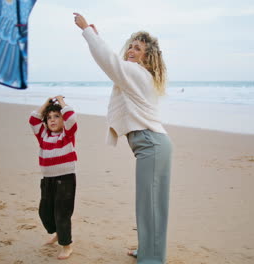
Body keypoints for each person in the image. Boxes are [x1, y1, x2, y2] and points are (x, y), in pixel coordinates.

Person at [74, 13, 173, 264]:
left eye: (138, 48)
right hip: (155, 144)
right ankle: (149, 250)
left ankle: (151, 259)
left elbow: (108, 61)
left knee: (148, 205)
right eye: (130, 45)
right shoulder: (138, 75)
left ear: (147, 57)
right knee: (153, 204)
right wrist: (95, 36)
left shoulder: (136, 73)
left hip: (151, 144)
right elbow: (114, 61)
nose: (131, 50)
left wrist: (87, 31)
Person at [28, 95, 78, 260]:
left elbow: (71, 118)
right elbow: (33, 120)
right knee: (45, 212)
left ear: (63, 120)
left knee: (62, 213)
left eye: (57, 117)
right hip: (48, 180)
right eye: (49, 118)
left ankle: (66, 245)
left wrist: (61, 102)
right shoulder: (43, 136)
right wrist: (46, 104)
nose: (53, 120)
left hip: (65, 180)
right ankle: (57, 232)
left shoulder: (67, 134)